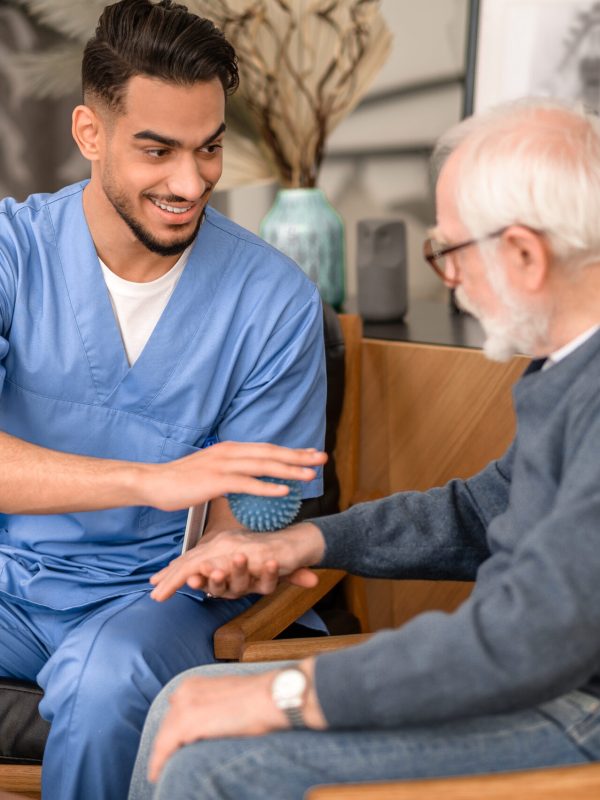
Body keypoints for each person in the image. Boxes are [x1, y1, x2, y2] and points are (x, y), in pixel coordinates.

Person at [129, 97, 600, 800]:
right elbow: (479, 513)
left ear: (526, 255)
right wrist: (308, 542)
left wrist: (289, 692)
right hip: (546, 677)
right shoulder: (566, 369)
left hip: (578, 710)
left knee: (215, 764)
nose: (452, 278)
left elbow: (527, 637)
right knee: (187, 696)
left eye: (448, 251)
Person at [0, 1, 327, 798]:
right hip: (18, 584)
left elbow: (256, 512)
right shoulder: (14, 256)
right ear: (90, 134)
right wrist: (153, 480)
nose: (191, 182)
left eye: (208, 148)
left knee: (108, 678)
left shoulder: (274, 300)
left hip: (161, 599)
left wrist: (234, 549)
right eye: (158, 150)